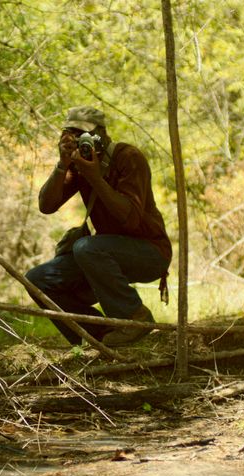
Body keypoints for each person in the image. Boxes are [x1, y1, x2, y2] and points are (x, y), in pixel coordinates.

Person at [25, 106, 172, 346]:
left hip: (150, 252)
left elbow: (130, 218)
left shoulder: (128, 157)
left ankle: (134, 317)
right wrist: (63, 164)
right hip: (104, 255)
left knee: (86, 247)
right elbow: (46, 205)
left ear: (102, 133)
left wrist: (94, 177)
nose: (79, 139)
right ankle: (100, 335)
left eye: (83, 133)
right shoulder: (79, 164)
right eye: (71, 133)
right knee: (37, 279)